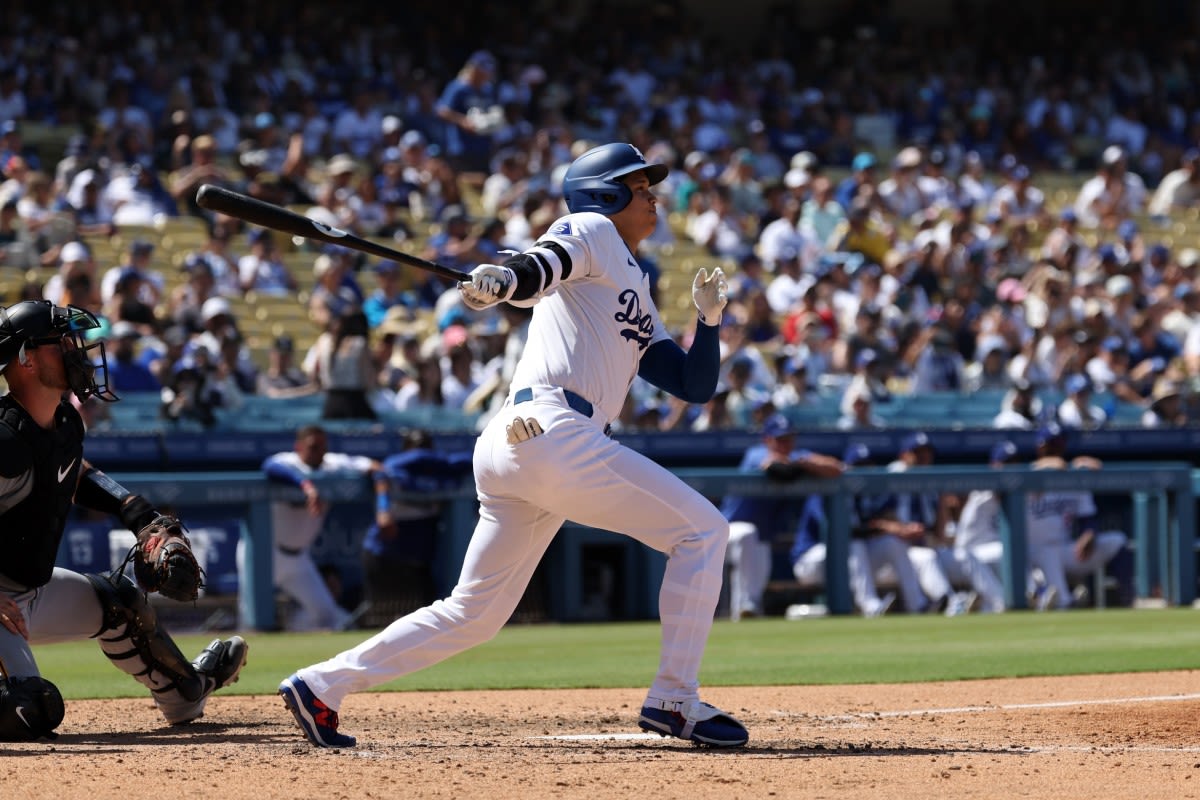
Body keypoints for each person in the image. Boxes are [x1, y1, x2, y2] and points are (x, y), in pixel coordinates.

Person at [280, 142, 748, 749]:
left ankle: (320, 686)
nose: (653, 197)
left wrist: (708, 324)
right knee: (703, 532)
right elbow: (545, 263)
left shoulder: (630, 282)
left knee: (473, 614)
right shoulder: (592, 228)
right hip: (554, 431)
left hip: (522, 444)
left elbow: (692, 384)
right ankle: (674, 700)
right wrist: (508, 277)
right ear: (605, 195)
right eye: (640, 187)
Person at [0, 300, 246, 740]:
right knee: (29, 710)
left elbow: (73, 471)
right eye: (61, 343)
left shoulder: (64, 422)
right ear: (26, 358)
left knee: (121, 604)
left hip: (27, 591)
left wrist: (138, 514)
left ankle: (186, 692)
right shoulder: (3, 441)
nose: (77, 352)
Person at [249, 425, 388, 631]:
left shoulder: (333, 463)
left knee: (326, 614)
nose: (319, 452)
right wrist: (305, 485)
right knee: (252, 617)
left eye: (323, 446)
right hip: (264, 554)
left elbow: (376, 468)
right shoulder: (287, 461)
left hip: (298, 560)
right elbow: (269, 466)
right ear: (299, 447)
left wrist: (384, 505)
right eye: (313, 447)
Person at [721, 414, 844, 620]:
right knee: (747, 534)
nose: (785, 443)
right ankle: (746, 604)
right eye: (780, 439)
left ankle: (744, 617)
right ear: (766, 439)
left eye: (789, 438)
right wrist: (803, 465)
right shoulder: (755, 453)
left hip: (759, 539)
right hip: (726, 531)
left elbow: (836, 468)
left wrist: (804, 462)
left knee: (753, 594)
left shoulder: (797, 455)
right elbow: (776, 468)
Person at [361, 429, 474, 628]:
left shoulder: (445, 467)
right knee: (380, 617)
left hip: (420, 558)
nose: (420, 454)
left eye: (424, 448)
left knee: (427, 619)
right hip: (387, 552)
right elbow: (381, 473)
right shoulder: (395, 467)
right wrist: (383, 509)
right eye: (415, 449)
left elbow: (471, 460)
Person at [1024, 424, 1132, 610]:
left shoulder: (1073, 477)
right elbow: (1011, 478)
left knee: (1117, 540)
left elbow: (1088, 519)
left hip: (1066, 551)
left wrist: (1089, 534)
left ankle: (1129, 598)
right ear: (1040, 447)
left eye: (1060, 444)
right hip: (1032, 554)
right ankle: (1065, 602)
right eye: (1051, 445)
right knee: (1048, 551)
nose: (1056, 449)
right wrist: (1042, 466)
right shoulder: (1027, 475)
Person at [788, 443, 897, 618]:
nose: (863, 471)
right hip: (809, 562)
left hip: (841, 561)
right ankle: (870, 605)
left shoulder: (862, 498)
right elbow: (833, 530)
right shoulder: (823, 490)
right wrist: (873, 528)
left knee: (889, 543)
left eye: (867, 466)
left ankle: (920, 604)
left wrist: (881, 527)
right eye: (858, 466)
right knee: (852, 544)